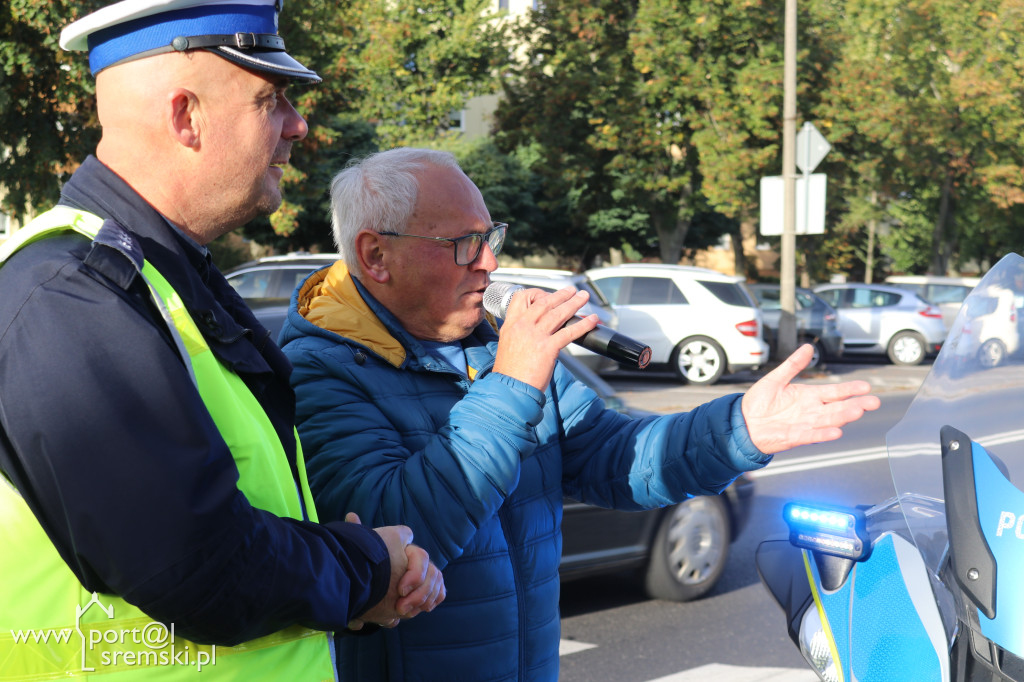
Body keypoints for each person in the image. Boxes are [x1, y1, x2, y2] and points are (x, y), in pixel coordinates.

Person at [277, 147, 881, 681]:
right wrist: (513, 382)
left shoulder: (491, 343)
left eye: (492, 237)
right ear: (376, 255)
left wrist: (739, 429)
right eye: (463, 244)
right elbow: (395, 537)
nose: (489, 263)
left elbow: (615, 459)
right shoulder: (319, 368)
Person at [0, 3, 444, 680]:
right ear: (185, 117)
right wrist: (366, 567)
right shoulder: (71, 293)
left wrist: (349, 562)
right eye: (271, 99)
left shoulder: (158, 276)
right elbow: (199, 567)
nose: (298, 124)